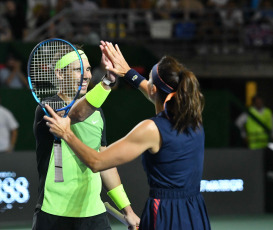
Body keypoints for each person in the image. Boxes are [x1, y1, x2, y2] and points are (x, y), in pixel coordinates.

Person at [44, 41, 211, 230]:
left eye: (148, 80)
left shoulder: (151, 129)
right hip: (195, 211)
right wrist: (127, 72)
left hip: (164, 213)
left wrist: (67, 134)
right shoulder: (194, 121)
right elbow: (151, 90)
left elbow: (97, 162)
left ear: (153, 90)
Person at [32, 45, 140, 230]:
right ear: (59, 74)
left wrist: (127, 209)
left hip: (94, 215)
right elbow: (77, 114)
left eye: (88, 69)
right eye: (78, 69)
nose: (87, 75)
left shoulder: (97, 112)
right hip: (53, 214)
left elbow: (105, 164)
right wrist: (106, 82)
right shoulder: (47, 108)